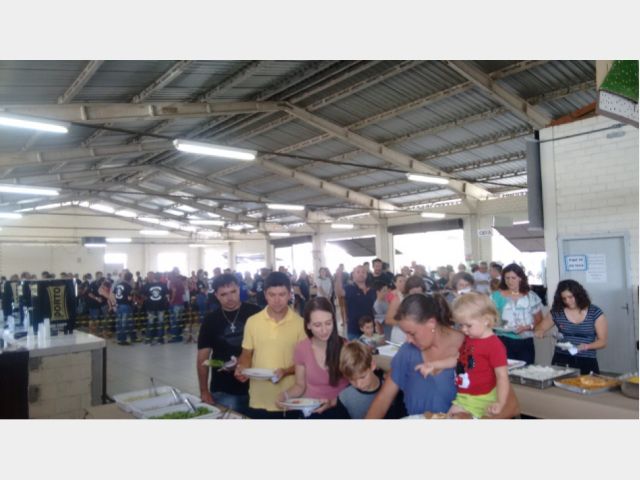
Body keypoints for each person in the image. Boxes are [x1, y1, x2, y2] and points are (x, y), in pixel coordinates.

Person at [365, 294, 520, 419]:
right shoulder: (408, 351)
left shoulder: (474, 344)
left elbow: (511, 406)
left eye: (412, 333)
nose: (409, 340)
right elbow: (384, 398)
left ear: (431, 323)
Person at [414, 292, 509, 419]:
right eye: (461, 325)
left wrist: (501, 402)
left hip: (482, 400)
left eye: (468, 325)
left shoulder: (494, 345)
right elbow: (458, 359)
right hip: (464, 396)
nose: (463, 329)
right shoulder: (470, 338)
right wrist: (434, 365)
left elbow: (502, 376)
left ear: (486, 320)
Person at [234, 272, 306, 419]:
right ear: (265, 295)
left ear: (289, 294)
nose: (277, 300)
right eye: (272, 295)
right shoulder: (253, 322)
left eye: (282, 294)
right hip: (258, 398)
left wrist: (285, 371)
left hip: (289, 399)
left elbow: (305, 363)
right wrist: (242, 368)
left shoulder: (300, 324)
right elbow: (247, 353)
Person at [197, 273, 261, 414]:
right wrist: (204, 391)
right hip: (224, 389)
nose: (230, 298)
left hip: (256, 386)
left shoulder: (255, 313)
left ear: (239, 289)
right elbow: (203, 358)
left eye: (233, 292)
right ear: (216, 295)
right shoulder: (210, 320)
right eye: (224, 294)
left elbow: (266, 348)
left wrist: (242, 361)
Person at [275, 297, 349, 418]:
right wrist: (284, 395)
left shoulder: (346, 347)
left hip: (342, 409)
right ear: (308, 325)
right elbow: (300, 385)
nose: (324, 330)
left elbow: (358, 386)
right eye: (317, 325)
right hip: (312, 411)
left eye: (328, 323)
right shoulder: (302, 348)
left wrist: (333, 402)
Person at [534, 280, 608, 374]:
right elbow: (540, 327)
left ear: (579, 295)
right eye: (564, 298)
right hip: (561, 359)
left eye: (570, 297)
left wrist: (585, 347)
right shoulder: (557, 312)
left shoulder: (595, 312)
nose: (567, 301)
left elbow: (602, 341)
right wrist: (539, 331)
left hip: (587, 360)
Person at [491, 263, 543, 364]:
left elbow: (539, 320)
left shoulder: (531, 296)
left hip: (525, 340)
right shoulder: (496, 296)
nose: (510, 281)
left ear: (520, 278)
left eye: (513, 278)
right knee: (504, 368)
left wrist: (526, 327)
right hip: (502, 339)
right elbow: (489, 317)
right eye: (507, 278)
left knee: (526, 369)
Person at [334, 342, 388, 419]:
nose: (359, 384)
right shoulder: (344, 398)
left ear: (372, 366)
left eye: (362, 377)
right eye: (351, 379)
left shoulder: (390, 389)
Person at [334, 264, 376, 341]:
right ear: (353, 275)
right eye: (358, 272)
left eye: (363, 272)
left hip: (370, 329)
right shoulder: (349, 288)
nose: (361, 274)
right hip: (354, 329)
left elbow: (372, 306)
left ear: (366, 275)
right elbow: (339, 292)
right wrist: (339, 276)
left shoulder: (372, 290)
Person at [385, 275, 427, 345]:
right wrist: (406, 323)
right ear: (407, 291)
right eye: (413, 292)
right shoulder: (399, 298)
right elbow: (388, 320)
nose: (416, 294)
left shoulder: (426, 300)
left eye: (419, 292)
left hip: (420, 337)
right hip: (400, 337)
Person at [142, 272, 169, 344]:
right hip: (161, 307)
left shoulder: (148, 285)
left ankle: (148, 340)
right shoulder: (163, 285)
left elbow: (143, 295)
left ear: (154, 277)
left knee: (150, 324)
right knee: (161, 323)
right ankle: (160, 340)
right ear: (160, 278)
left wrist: (147, 299)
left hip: (150, 307)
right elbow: (167, 296)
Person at [111, 272, 137, 345]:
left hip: (118, 306)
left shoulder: (118, 285)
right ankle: (123, 340)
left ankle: (119, 339)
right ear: (130, 279)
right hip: (125, 306)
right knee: (124, 324)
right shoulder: (128, 286)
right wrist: (133, 294)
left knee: (119, 324)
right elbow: (129, 298)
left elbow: (113, 293)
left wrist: (115, 302)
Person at [168, 272, 186, 343]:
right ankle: (180, 337)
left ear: (171, 276)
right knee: (179, 321)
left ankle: (175, 338)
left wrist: (172, 300)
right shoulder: (180, 282)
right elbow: (183, 291)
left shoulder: (172, 282)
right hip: (181, 303)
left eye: (169, 276)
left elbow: (174, 290)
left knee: (174, 322)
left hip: (175, 304)